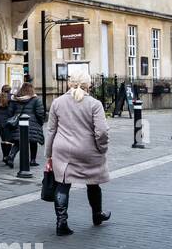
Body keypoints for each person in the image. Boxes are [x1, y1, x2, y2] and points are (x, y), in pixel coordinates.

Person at [44, 70, 110, 235]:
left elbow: (51, 131)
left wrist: (49, 155)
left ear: (69, 83)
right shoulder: (95, 104)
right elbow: (101, 132)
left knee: (62, 184)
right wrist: (102, 148)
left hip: (63, 150)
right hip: (88, 150)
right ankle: (97, 215)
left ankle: (61, 223)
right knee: (93, 182)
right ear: (89, 85)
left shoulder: (57, 102)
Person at [7, 81, 46, 168]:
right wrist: (40, 122)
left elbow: (10, 112)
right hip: (33, 123)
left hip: (19, 123)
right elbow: (40, 113)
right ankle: (32, 160)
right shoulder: (36, 99)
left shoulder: (15, 99)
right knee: (33, 142)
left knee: (18, 142)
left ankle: (11, 156)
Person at [0, 84, 14, 165]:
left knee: (3, 140)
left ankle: (4, 156)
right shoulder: (11, 98)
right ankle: (7, 156)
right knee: (9, 140)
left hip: (0, 122)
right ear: (10, 90)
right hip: (9, 122)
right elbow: (13, 110)